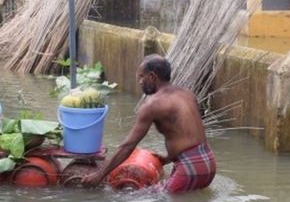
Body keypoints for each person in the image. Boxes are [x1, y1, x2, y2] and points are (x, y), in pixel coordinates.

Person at [82, 55, 216, 194]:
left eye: (141, 77)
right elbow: (190, 134)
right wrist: (167, 158)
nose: (139, 82)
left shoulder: (152, 105)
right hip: (208, 163)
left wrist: (99, 175)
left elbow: (128, 146)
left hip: (190, 168)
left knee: (142, 199)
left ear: (152, 76)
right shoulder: (187, 93)